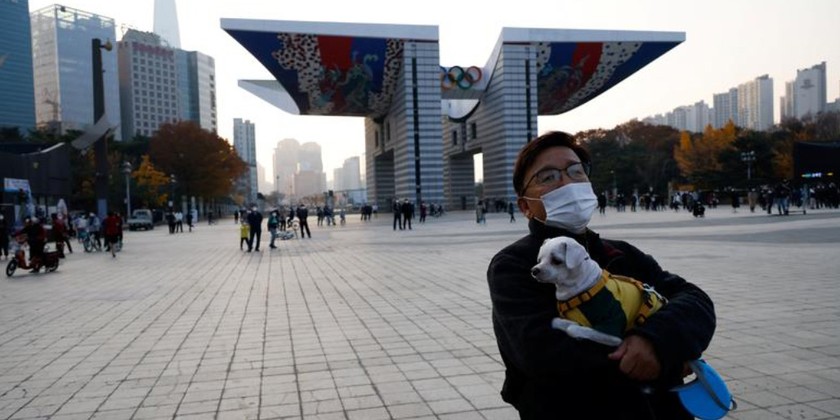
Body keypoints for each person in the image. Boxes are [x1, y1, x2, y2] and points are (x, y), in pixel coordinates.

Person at [486, 131, 715, 419]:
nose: (567, 182)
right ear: (525, 206)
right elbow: (543, 354)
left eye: (576, 171)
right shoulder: (515, 266)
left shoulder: (621, 254)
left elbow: (696, 301)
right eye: (548, 177)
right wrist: (664, 358)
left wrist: (656, 342)